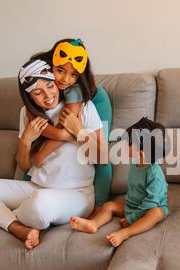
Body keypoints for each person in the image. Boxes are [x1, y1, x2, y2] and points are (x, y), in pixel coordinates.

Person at [0, 58, 106, 249]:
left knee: (39, 204)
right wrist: (26, 140)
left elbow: (102, 159)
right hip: (36, 186)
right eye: (38, 92)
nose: (48, 96)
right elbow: (25, 165)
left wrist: (79, 131)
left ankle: (3, 215)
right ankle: (16, 227)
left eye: (50, 86)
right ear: (29, 98)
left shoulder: (84, 107)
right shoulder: (26, 114)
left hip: (77, 194)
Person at [27, 38, 113, 211]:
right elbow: (31, 114)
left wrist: (74, 131)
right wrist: (60, 136)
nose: (65, 79)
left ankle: (100, 204)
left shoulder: (76, 91)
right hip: (45, 179)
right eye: (60, 70)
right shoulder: (40, 83)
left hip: (95, 99)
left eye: (73, 74)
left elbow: (66, 125)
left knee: (99, 148)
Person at [70, 117, 169, 247]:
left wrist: (131, 219)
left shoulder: (154, 175)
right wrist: (129, 207)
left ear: (141, 154)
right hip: (133, 204)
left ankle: (126, 233)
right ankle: (93, 224)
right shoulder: (136, 164)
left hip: (150, 207)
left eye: (128, 144)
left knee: (155, 213)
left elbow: (151, 202)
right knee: (109, 206)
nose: (125, 145)